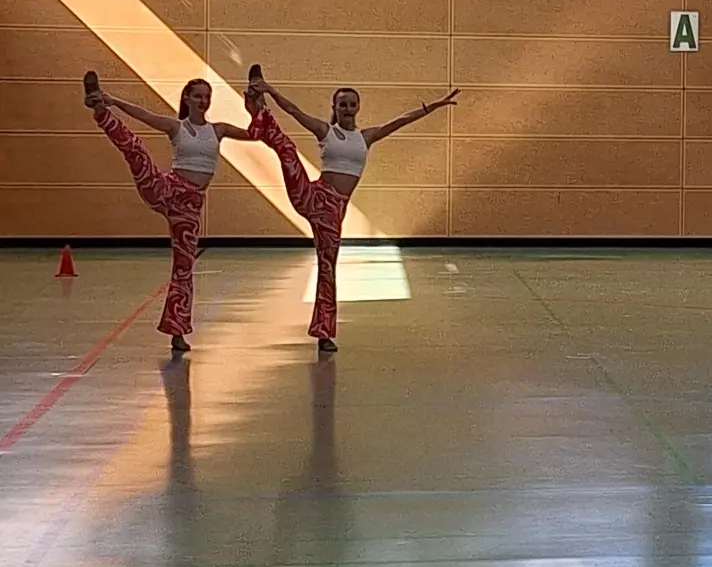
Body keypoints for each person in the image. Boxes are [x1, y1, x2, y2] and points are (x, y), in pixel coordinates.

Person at [244, 65, 458, 354]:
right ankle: (258, 107)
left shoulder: (365, 138)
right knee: (287, 150)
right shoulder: (325, 131)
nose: (347, 108)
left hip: (334, 211)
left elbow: (400, 121)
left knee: (327, 268)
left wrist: (434, 106)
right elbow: (294, 111)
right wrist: (270, 90)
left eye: (351, 104)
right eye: (342, 104)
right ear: (335, 107)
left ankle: (323, 333)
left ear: (358, 108)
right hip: (313, 196)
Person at [81, 71, 250, 355]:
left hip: (190, 207)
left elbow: (255, 134)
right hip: (166, 190)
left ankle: (177, 332)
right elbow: (144, 115)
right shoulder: (176, 127)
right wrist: (113, 101)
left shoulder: (218, 130)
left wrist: (256, 105)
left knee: (184, 268)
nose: (203, 101)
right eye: (198, 96)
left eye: (207, 97)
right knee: (136, 150)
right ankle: (100, 110)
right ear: (187, 98)